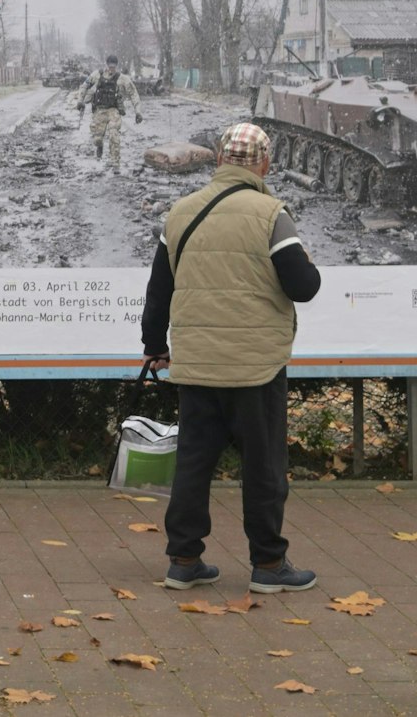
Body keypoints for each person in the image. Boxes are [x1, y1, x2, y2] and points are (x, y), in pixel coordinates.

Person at [139, 121, 323, 594]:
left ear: (219, 160)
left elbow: (159, 289)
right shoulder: (272, 215)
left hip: (197, 365)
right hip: (256, 367)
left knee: (193, 464)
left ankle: (183, 560)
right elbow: (303, 287)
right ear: (265, 165)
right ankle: (269, 565)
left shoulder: (180, 212)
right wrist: (307, 261)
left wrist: (154, 346)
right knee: (263, 468)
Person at [69, 55, 141, 172]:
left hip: (113, 110)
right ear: (106, 65)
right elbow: (84, 86)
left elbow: (134, 94)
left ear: (116, 66)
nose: (111, 69)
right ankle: (100, 146)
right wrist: (80, 100)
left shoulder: (122, 79)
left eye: (113, 67)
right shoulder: (97, 75)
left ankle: (115, 163)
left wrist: (138, 112)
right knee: (97, 139)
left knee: (114, 135)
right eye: (110, 66)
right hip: (99, 110)